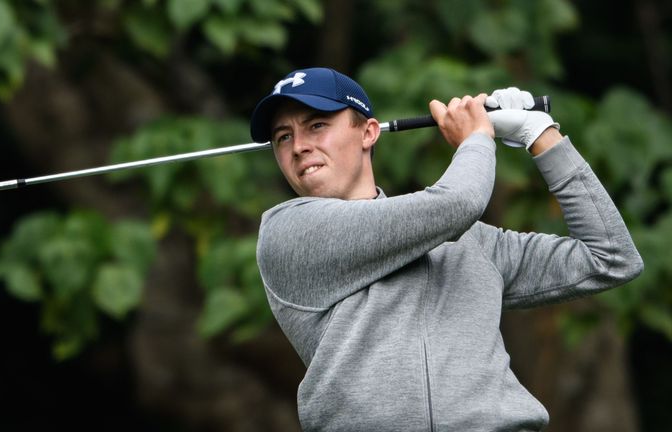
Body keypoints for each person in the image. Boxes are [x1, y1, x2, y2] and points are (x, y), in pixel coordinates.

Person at [249, 67, 643, 431]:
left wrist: (541, 135)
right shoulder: (288, 230)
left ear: (369, 132)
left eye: (316, 125)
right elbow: (459, 202)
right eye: (283, 136)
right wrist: (476, 138)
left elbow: (610, 257)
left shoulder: (471, 242)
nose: (298, 146)